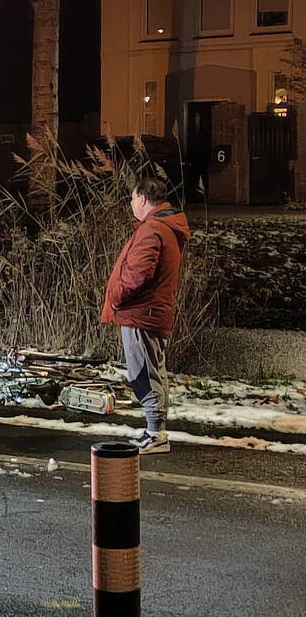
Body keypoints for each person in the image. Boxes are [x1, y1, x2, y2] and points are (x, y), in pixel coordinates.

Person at [101, 178, 191, 455]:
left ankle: (156, 434)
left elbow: (138, 274)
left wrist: (115, 297)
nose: (130, 204)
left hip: (142, 312)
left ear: (142, 198)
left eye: (131, 199)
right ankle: (155, 431)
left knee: (143, 372)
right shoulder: (166, 226)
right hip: (151, 311)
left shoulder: (153, 229)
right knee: (153, 369)